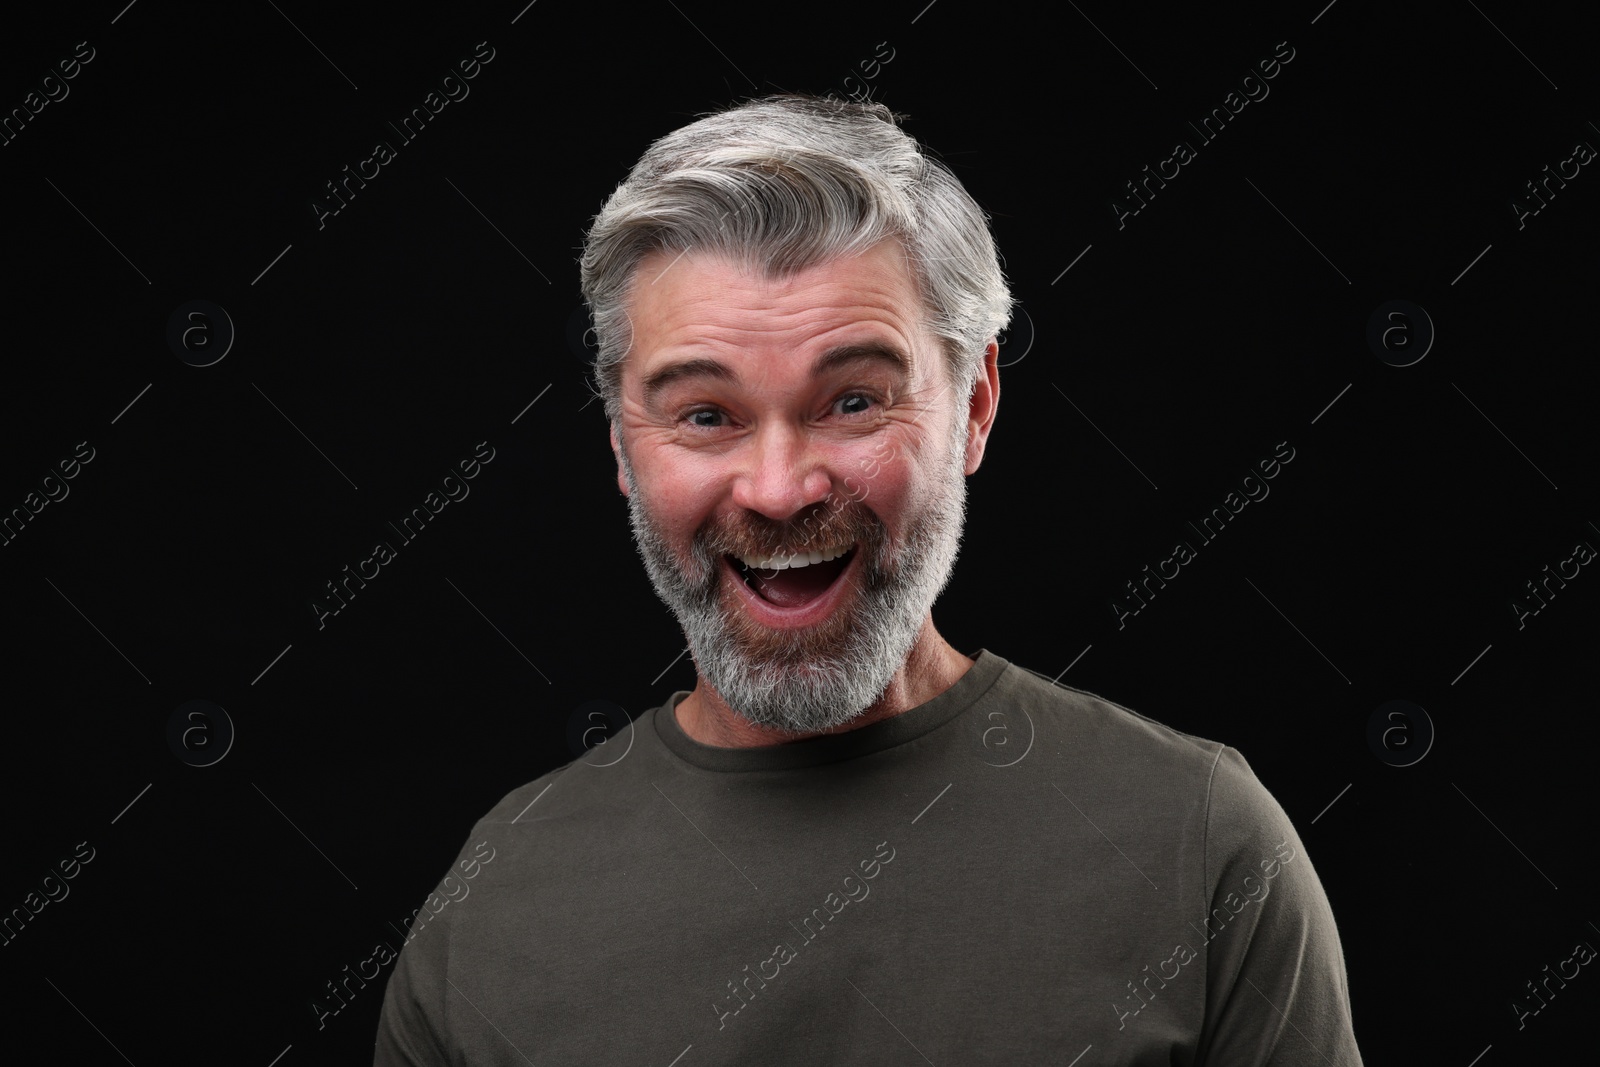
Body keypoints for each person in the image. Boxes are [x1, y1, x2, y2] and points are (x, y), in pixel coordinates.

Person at [373, 93, 1363, 1065]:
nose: (775, 489)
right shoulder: (495, 908)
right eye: (705, 414)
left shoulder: (1201, 848)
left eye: (851, 400)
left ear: (973, 405)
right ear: (624, 448)